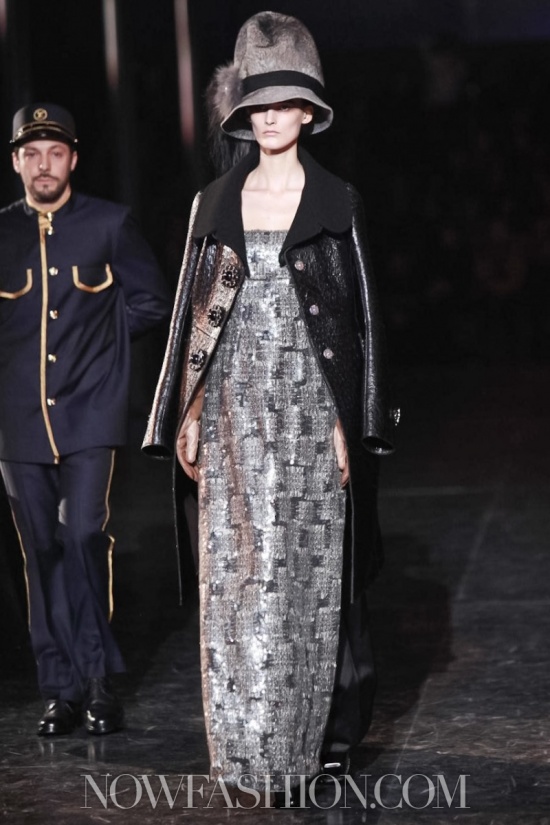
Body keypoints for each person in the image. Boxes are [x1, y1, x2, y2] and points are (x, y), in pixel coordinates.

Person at [143, 11, 397, 802]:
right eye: (258, 102)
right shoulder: (213, 202)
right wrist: (186, 413)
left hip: (309, 411)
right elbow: (193, 319)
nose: (271, 116)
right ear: (242, 112)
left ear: (310, 110)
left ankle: (311, 743)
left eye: (285, 102)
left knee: (311, 576)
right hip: (231, 409)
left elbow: (361, 323)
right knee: (237, 576)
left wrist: (350, 421)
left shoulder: (336, 201)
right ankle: (246, 746)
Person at [0, 103, 171, 736]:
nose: (44, 164)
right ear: (16, 162)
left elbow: (152, 301)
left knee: (80, 538)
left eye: (55, 152)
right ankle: (60, 688)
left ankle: (97, 679)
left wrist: (103, 352)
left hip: (90, 415)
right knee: (40, 551)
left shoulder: (109, 224)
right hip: (17, 420)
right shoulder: (2, 233)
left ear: (72, 158)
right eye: (32, 153)